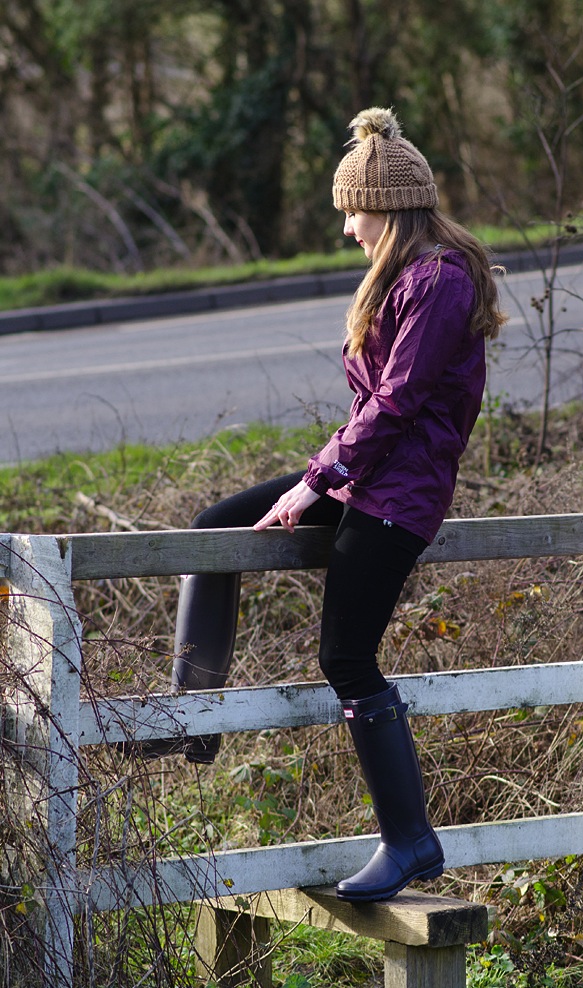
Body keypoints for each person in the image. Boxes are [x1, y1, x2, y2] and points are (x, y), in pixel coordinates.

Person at [127, 107, 507, 903]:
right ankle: (192, 720)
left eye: (353, 212)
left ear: (391, 208)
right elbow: (378, 408)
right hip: (365, 475)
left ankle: (410, 843)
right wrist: (324, 474)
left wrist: (315, 480)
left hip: (400, 494)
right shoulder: (405, 277)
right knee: (216, 525)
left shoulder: (438, 280)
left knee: (344, 657)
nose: (346, 229)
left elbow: (398, 403)